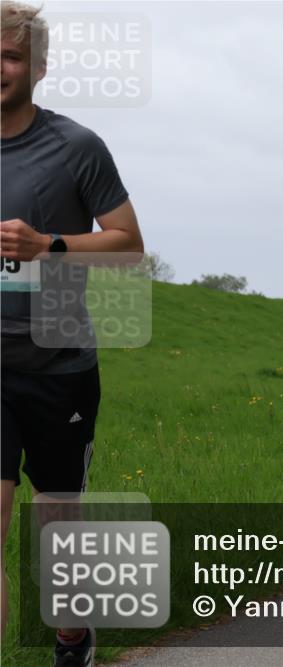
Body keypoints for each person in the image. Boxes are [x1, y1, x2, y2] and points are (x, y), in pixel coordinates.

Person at [1, 3, 144, 665]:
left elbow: (127, 246)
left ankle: (72, 634)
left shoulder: (76, 147)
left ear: (39, 67)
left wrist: (48, 245)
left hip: (59, 366)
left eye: (9, 56)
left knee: (57, 533)